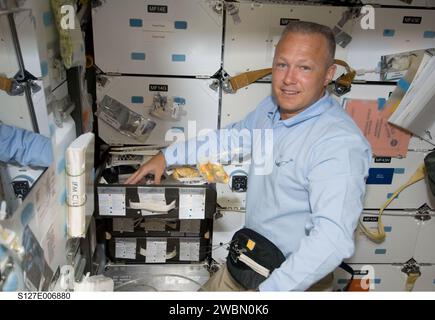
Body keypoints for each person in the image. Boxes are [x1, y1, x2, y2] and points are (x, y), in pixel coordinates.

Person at [126, 21, 372, 291]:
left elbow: (332, 239)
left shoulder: (338, 143)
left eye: (304, 67)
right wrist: (167, 156)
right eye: (282, 64)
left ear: (328, 74)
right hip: (249, 261)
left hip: (290, 281)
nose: (288, 79)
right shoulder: (272, 108)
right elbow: (231, 139)